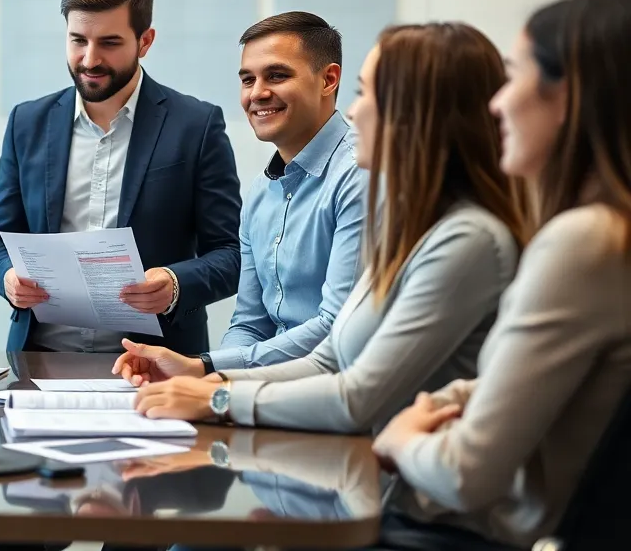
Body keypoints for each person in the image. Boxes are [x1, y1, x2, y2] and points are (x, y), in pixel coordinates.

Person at [124, 23, 530, 436]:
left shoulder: (462, 237)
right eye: (248, 79)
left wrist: (215, 395)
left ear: (417, 112)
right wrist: (204, 374)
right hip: (313, 423)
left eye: (367, 93)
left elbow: (356, 392)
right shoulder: (415, 229)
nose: (353, 111)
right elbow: (328, 358)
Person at [372, 0, 631, 549]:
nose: (497, 104)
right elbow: (518, 384)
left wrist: (399, 439)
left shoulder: (585, 243)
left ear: (569, 97)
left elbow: (466, 473)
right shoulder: (606, 237)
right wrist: (447, 403)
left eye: (513, 77)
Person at [0, 0, 243, 356]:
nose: (89, 59)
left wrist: (175, 283)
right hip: (41, 359)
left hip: (156, 364)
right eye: (77, 40)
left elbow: (231, 253)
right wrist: (8, 278)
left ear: (145, 41)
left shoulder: (196, 126)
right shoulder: (27, 123)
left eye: (110, 43)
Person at [109, 11, 367, 377]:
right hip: (265, 391)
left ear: (328, 80)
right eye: (248, 79)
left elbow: (336, 326)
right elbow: (249, 324)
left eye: (277, 75)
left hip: (333, 394)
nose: (257, 93)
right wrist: (212, 383)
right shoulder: (261, 194)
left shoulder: (359, 173)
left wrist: (207, 368)